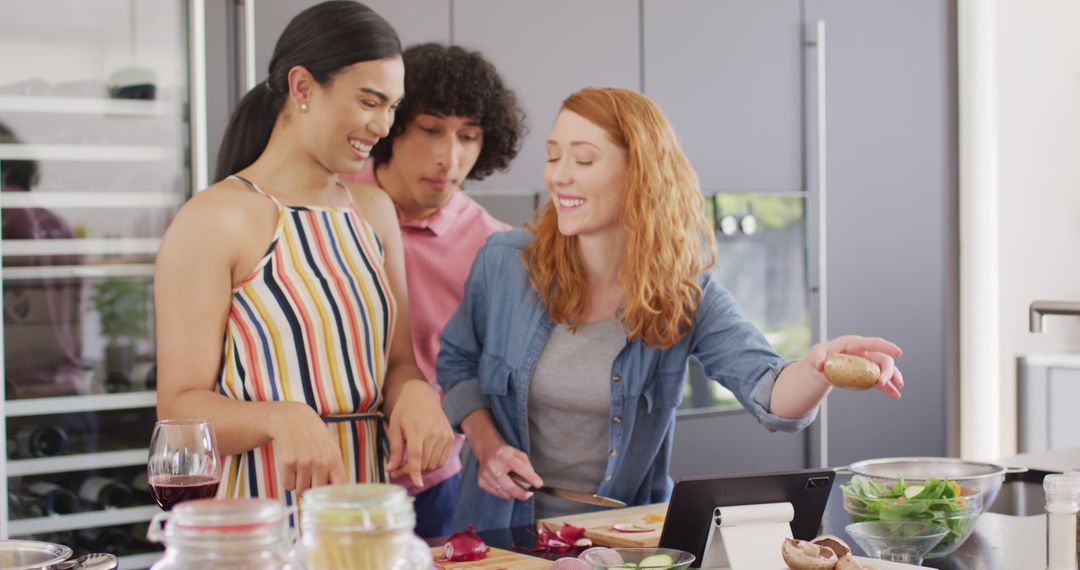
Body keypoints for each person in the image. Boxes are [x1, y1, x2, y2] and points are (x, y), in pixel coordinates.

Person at [437, 87, 905, 531]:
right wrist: (487, 444)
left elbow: (772, 393)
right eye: (554, 155)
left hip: (618, 539)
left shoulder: (686, 292)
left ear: (638, 172)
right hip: (500, 534)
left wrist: (818, 367)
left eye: (583, 159)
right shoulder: (504, 262)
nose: (558, 175)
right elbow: (457, 364)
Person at [154, 1, 453, 506]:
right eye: (368, 101)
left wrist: (417, 393)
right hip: (253, 523)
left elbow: (398, 364)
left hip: (359, 518)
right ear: (302, 87)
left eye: (392, 107)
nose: (382, 126)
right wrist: (280, 416)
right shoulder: (214, 219)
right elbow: (179, 413)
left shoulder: (373, 211)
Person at [339, 42, 524, 537]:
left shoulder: (495, 248)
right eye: (430, 130)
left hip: (433, 482)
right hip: (325, 476)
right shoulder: (326, 202)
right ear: (393, 127)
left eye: (469, 136)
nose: (450, 157)